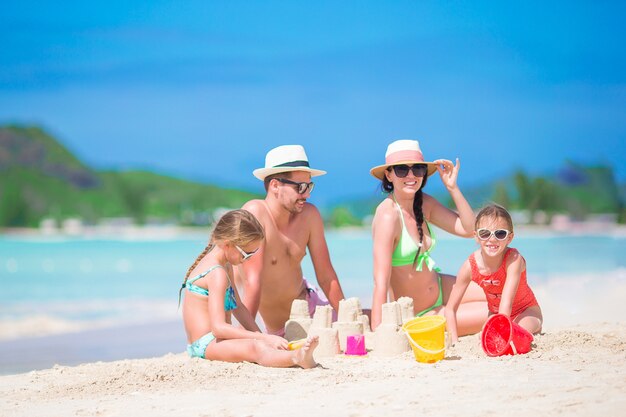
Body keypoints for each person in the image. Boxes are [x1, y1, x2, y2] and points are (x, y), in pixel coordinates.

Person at [370, 139, 487, 332]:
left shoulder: (424, 203)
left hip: (442, 286)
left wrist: (452, 188)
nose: (411, 175)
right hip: (420, 314)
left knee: (500, 293)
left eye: (417, 169)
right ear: (389, 175)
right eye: (401, 170)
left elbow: (468, 230)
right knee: (493, 310)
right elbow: (380, 281)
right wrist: (378, 329)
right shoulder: (387, 215)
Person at [178, 209, 318, 368]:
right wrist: (262, 339)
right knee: (255, 347)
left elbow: (237, 306)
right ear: (228, 244)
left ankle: (289, 354)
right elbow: (218, 328)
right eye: (246, 254)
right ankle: (297, 358)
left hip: (217, 341)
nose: (247, 260)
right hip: (205, 345)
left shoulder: (225, 265)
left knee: (259, 342)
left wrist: (261, 335)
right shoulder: (217, 273)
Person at [237, 145, 346, 336]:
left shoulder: (309, 215)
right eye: (301, 187)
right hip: (281, 328)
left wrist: (347, 320)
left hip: (312, 306)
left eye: (309, 186)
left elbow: (326, 276)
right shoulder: (255, 213)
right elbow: (251, 282)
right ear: (275, 185)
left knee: (366, 318)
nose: (307, 194)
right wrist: (248, 335)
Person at [445, 204, 543, 343]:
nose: (492, 239)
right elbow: (450, 309)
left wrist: (501, 330)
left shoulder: (513, 259)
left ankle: (532, 327)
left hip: (526, 312)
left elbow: (506, 302)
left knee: (514, 335)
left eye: (500, 233)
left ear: (509, 238)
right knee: (483, 337)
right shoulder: (470, 266)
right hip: (496, 315)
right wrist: (454, 341)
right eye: (485, 233)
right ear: (476, 237)